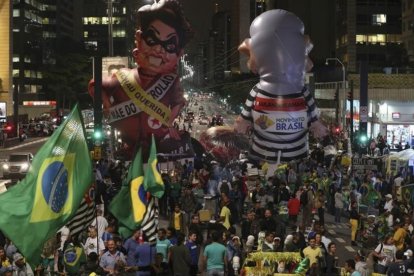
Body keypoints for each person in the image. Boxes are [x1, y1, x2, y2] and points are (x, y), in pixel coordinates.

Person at [88, 0, 194, 159]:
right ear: (138, 39)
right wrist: (107, 104)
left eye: (169, 46)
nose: (158, 50)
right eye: (151, 40)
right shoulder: (122, 76)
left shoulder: (171, 82)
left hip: (156, 150)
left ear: (178, 54)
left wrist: (168, 122)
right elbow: (95, 85)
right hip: (127, 152)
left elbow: (179, 102)